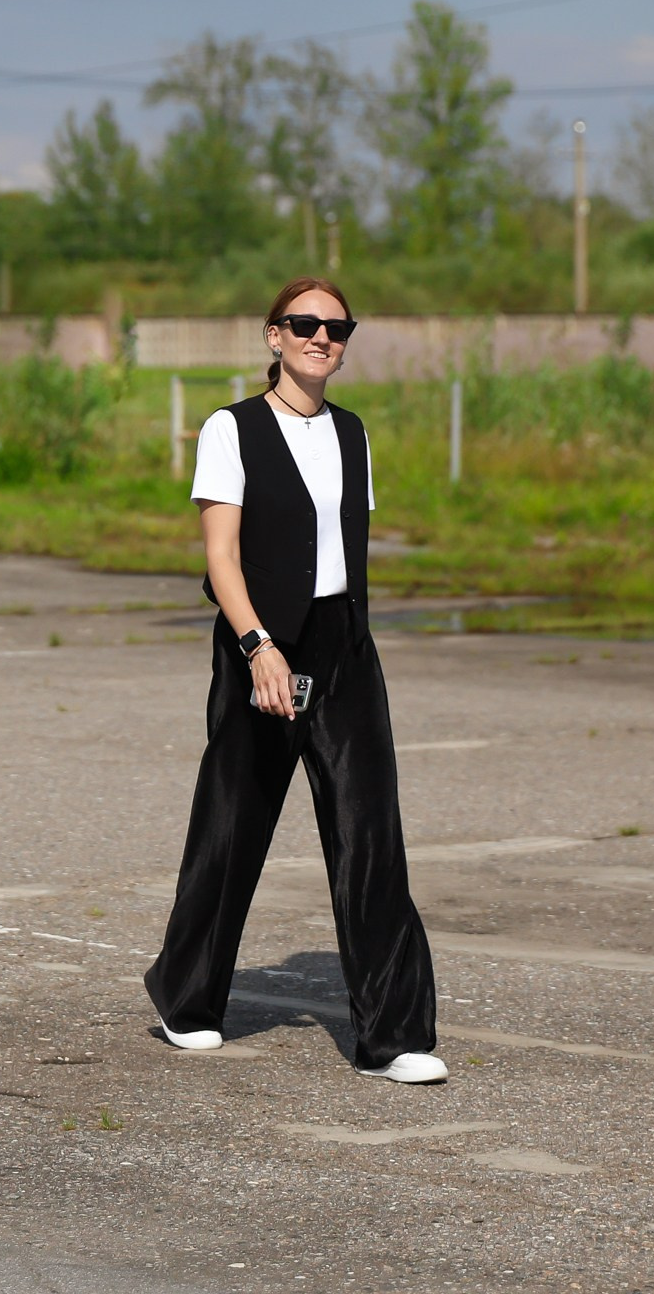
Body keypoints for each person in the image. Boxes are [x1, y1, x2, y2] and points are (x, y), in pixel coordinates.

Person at [141, 277, 447, 1084]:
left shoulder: (353, 434)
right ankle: (187, 997)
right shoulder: (230, 428)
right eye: (305, 324)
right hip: (263, 643)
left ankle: (394, 1034)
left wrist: (340, 644)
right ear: (272, 335)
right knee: (235, 824)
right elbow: (220, 555)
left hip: (343, 646)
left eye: (337, 326)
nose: (322, 337)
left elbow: (344, 549)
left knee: (369, 830)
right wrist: (257, 646)